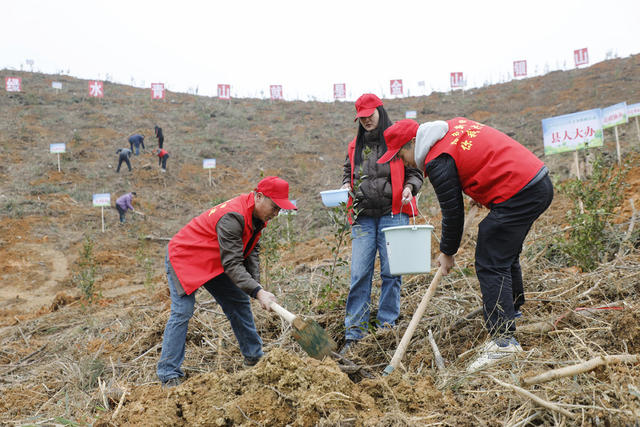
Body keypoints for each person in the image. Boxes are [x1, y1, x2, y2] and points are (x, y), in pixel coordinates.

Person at [377, 117, 554, 372]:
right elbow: (478, 160)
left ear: (413, 142)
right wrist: (483, 190)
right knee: (502, 249)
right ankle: (512, 311)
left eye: (401, 155)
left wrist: (447, 252)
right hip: (534, 182)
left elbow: (452, 212)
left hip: (522, 190)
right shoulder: (450, 129)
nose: (403, 162)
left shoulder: (437, 158)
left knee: (491, 259)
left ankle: (503, 342)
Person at [157, 176, 297, 387]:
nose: (276, 213)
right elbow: (232, 264)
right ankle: (168, 373)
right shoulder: (234, 216)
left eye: (280, 209)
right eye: (274, 207)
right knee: (182, 311)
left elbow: (251, 251)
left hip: (215, 259)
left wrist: (256, 288)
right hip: (186, 257)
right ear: (259, 197)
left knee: (238, 301)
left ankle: (254, 357)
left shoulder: (258, 216)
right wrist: (257, 291)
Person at [340, 93, 424, 354]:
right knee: (359, 273)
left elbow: (415, 170)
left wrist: (410, 187)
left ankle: (387, 326)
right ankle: (355, 333)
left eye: (370, 115)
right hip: (363, 216)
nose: (366, 121)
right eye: (362, 117)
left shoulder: (397, 138)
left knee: (391, 272)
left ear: (380, 111)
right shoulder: (355, 146)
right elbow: (347, 172)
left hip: (393, 212)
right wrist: (345, 185)